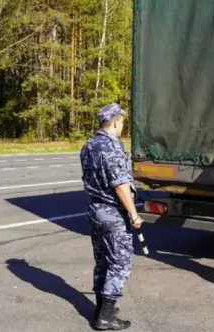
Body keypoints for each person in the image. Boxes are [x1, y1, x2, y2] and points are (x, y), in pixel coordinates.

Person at [80, 103, 143, 330]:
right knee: (119, 263)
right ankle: (105, 317)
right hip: (112, 212)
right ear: (115, 121)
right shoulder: (112, 148)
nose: (123, 125)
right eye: (122, 121)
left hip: (94, 209)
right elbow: (120, 186)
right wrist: (133, 214)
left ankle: (101, 308)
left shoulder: (89, 146)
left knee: (103, 260)